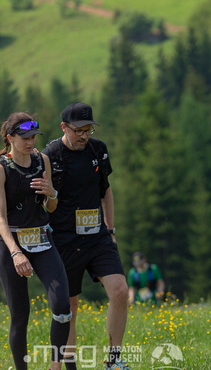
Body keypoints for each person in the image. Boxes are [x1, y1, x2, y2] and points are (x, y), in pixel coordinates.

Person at [42, 102, 130, 370]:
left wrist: (110, 229)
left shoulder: (98, 149)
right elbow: (45, 203)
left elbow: (106, 191)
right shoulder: (50, 155)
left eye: (88, 129)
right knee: (70, 306)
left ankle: (114, 360)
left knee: (120, 291)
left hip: (98, 237)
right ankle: (69, 365)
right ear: (64, 127)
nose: (83, 135)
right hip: (64, 240)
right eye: (78, 130)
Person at [0, 113, 72, 370]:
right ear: (10, 138)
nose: (31, 142)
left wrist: (52, 193)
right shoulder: (2, 168)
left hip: (42, 238)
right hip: (12, 244)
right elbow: (0, 218)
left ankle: (55, 366)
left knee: (62, 306)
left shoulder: (43, 161)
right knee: (20, 316)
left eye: (33, 137)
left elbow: (51, 207)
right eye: (25, 138)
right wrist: (15, 253)